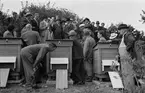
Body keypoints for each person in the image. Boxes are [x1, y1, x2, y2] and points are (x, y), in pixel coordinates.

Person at [118, 24, 136, 92]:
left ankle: (130, 89)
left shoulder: (127, 34)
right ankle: (126, 88)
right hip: (123, 57)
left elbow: (132, 40)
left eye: (119, 30)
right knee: (125, 73)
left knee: (128, 73)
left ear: (123, 29)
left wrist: (127, 49)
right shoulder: (124, 36)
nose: (119, 31)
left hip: (126, 57)